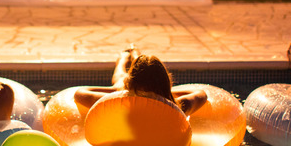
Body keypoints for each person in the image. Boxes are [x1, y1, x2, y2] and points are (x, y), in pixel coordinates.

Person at [74, 46, 207, 116]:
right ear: (165, 82)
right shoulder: (178, 107)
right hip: (154, 88)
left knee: (120, 77)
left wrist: (114, 91)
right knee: (122, 77)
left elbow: (80, 94)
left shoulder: (117, 102)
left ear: (131, 83)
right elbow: (200, 94)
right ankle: (133, 55)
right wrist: (169, 93)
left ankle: (124, 58)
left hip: (125, 88)